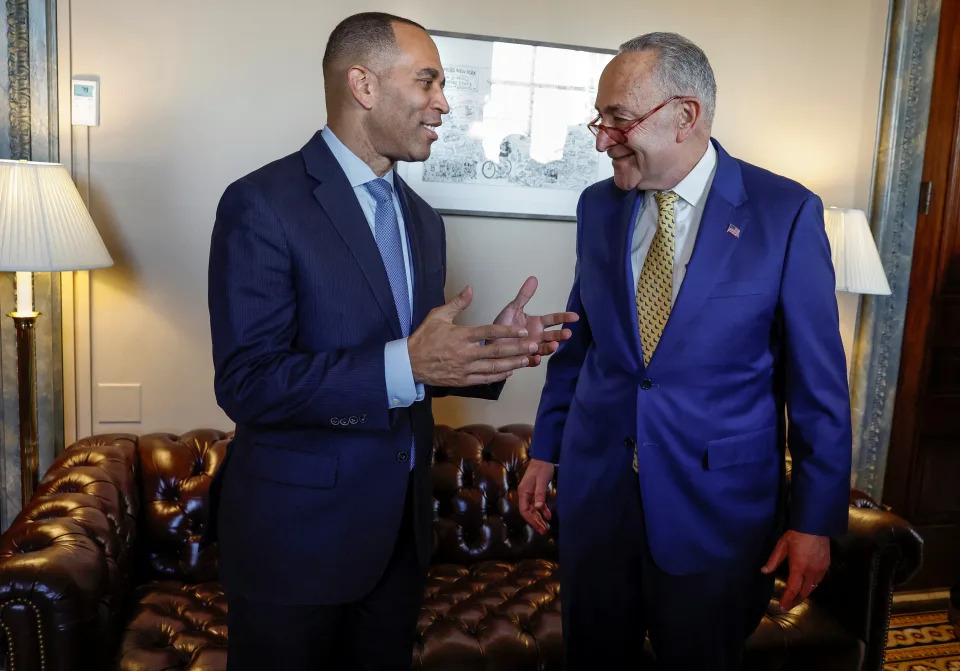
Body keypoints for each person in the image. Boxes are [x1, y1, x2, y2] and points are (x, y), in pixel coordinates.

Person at [206, 12, 577, 670]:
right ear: (364, 85)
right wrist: (402, 362)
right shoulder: (261, 203)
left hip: (401, 543)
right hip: (295, 545)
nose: (444, 103)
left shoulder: (423, 222)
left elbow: (417, 368)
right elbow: (248, 382)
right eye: (428, 80)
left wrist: (488, 351)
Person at [518, 32, 851, 670]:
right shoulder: (598, 207)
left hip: (717, 515)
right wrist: (545, 450)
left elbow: (819, 389)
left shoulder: (785, 213)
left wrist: (814, 522)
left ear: (686, 116)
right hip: (598, 505)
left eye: (619, 119)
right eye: (600, 118)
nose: (601, 137)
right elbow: (579, 342)